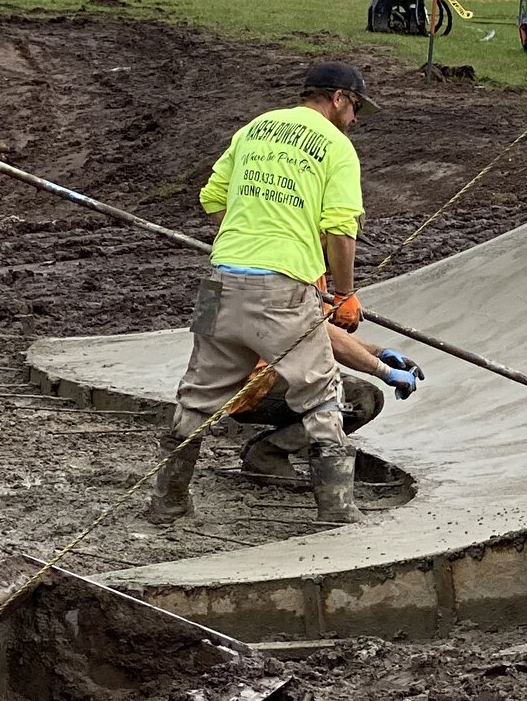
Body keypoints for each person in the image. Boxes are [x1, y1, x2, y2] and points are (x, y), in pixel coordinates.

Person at [147, 61, 378, 528]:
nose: (354, 119)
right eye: (354, 107)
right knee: (322, 395)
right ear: (337, 99)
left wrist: (248, 233)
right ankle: (337, 511)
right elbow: (340, 229)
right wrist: (344, 293)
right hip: (282, 286)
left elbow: (212, 199)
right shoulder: (336, 147)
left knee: (197, 395)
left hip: (218, 281)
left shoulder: (255, 129)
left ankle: (167, 503)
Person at [231, 325, 424, 484]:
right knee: (360, 400)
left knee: (351, 394)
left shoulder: (226, 280)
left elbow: (324, 324)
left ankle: (264, 447)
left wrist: (377, 352)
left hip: (219, 383)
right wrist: (383, 370)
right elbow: (321, 332)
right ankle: (268, 453)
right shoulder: (288, 281)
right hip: (255, 386)